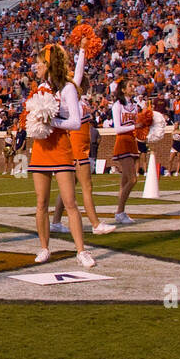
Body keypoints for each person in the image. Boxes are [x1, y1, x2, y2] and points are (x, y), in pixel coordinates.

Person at [28, 45, 96, 266]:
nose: (35, 66)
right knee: (41, 203)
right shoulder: (39, 89)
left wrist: (51, 122)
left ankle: (81, 251)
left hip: (61, 147)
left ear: (48, 65)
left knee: (70, 202)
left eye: (39, 62)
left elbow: (75, 123)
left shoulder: (67, 88)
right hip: (41, 149)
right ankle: (44, 248)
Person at [48, 49, 114, 238]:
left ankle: (56, 222)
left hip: (77, 146)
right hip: (77, 147)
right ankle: (95, 224)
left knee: (69, 187)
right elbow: (78, 72)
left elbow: (78, 71)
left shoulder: (72, 97)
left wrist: (83, 50)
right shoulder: (72, 97)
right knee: (87, 186)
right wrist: (83, 50)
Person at [108, 80, 139, 224]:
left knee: (125, 181)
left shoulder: (135, 106)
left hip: (132, 142)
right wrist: (135, 126)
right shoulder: (117, 105)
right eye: (130, 86)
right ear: (123, 90)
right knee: (133, 179)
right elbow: (118, 128)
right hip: (122, 142)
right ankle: (120, 212)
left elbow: (137, 127)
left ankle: (120, 212)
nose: (133, 87)